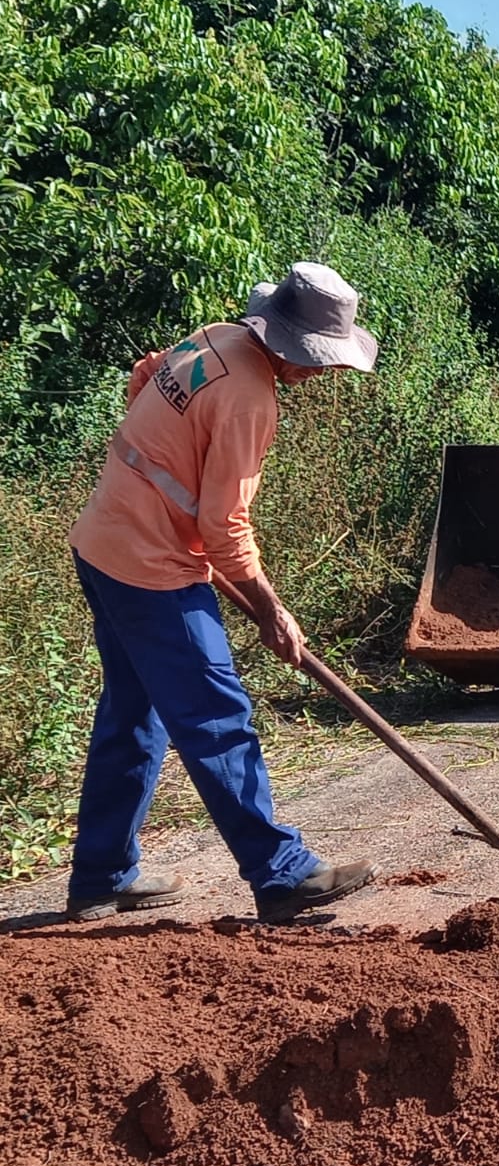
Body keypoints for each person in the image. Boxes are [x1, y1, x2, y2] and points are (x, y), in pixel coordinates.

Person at [64, 262, 381, 924]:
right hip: (151, 570)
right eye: (320, 361)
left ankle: (101, 876)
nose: (322, 374)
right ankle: (282, 874)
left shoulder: (214, 337)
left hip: (102, 540)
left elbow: (145, 375)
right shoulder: (250, 398)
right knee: (217, 717)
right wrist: (273, 612)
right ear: (294, 348)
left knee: (133, 716)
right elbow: (224, 527)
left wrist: (160, 481)